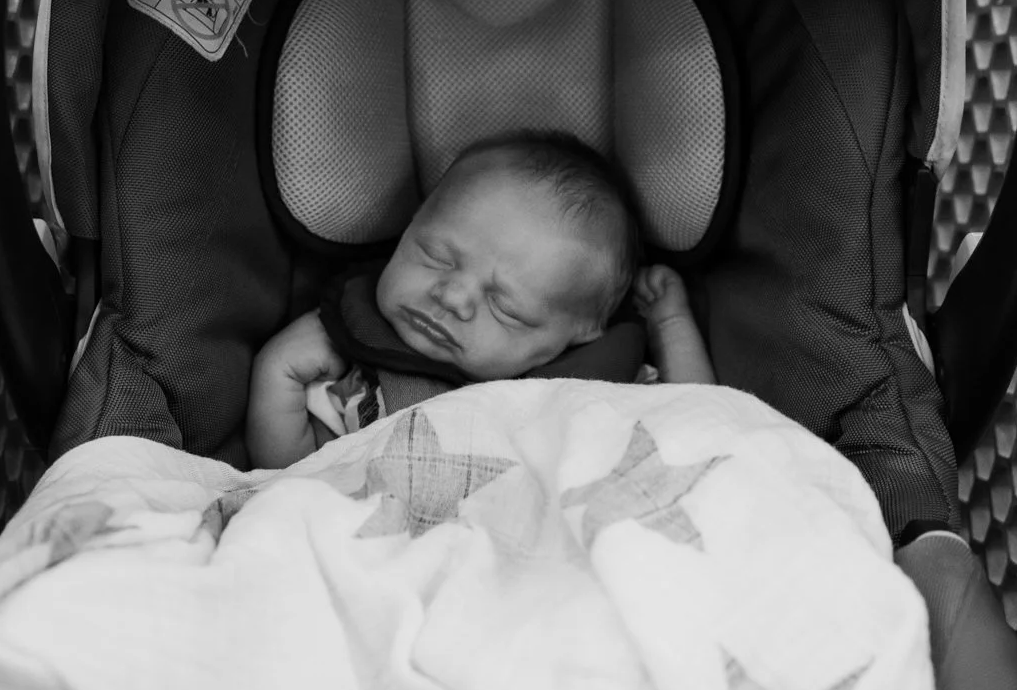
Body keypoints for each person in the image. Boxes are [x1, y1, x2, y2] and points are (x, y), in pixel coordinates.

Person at [246, 132, 712, 470]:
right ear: (409, 226)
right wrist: (279, 371)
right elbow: (292, 483)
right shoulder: (353, 378)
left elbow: (709, 432)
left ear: (579, 335)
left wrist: (670, 327)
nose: (451, 296)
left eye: (506, 308)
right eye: (434, 255)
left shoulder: (604, 394)